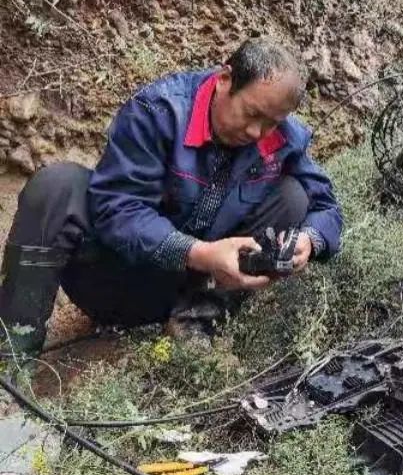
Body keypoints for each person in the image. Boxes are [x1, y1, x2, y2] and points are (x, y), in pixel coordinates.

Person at [0, 38, 342, 352]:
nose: (257, 132)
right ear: (225, 79)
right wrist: (200, 252)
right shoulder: (159, 112)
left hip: (188, 291)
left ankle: (193, 327)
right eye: (251, 113)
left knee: (294, 195)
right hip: (115, 278)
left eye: (272, 122)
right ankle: (14, 347)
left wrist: (309, 241)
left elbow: (326, 206)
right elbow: (118, 209)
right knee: (56, 187)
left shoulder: (283, 138)